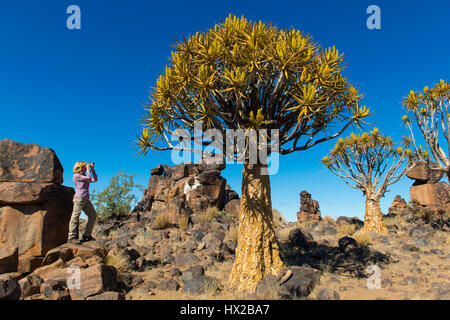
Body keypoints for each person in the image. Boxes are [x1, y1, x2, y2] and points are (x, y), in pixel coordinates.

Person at [68, 161, 98, 244]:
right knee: (75, 216)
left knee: (93, 215)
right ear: (80, 167)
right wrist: (88, 169)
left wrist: (92, 169)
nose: (85, 168)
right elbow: (88, 178)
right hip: (79, 198)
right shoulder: (77, 176)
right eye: (84, 166)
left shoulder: (84, 176)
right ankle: (71, 236)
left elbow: (95, 179)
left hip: (86, 199)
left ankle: (87, 235)